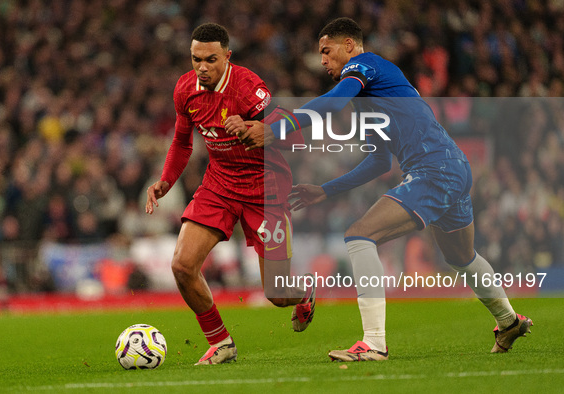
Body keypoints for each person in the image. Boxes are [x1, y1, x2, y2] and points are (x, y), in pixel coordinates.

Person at [226, 17, 532, 361]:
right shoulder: (371, 100)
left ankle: (373, 343)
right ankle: (508, 320)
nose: (323, 60)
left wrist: (277, 130)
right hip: (453, 166)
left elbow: (331, 102)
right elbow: (380, 162)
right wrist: (325, 190)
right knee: (461, 256)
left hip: (434, 168)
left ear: (349, 46)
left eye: (326, 52)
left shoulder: (365, 65)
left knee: (359, 236)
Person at [145, 23, 315, 366]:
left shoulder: (248, 87)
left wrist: (256, 129)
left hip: (264, 188)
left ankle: (305, 292)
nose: (202, 67)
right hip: (219, 184)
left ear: (227, 56)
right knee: (181, 265)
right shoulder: (184, 90)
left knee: (277, 295)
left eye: (210, 59)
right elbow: (181, 141)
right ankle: (221, 342)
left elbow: (287, 125)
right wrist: (166, 180)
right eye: (196, 59)